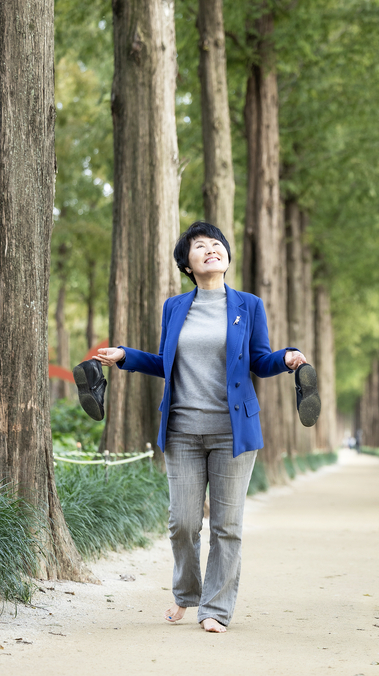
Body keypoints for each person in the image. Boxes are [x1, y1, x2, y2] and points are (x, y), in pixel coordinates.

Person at [94, 221, 308, 633]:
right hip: (182, 430)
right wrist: (126, 356)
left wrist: (285, 358)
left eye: (216, 245)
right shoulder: (175, 307)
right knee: (184, 523)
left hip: (233, 432)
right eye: (200, 247)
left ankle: (215, 609)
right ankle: (185, 594)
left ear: (226, 257)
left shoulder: (249, 305)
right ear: (188, 265)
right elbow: (165, 361)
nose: (211, 249)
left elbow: (258, 361)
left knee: (227, 527)